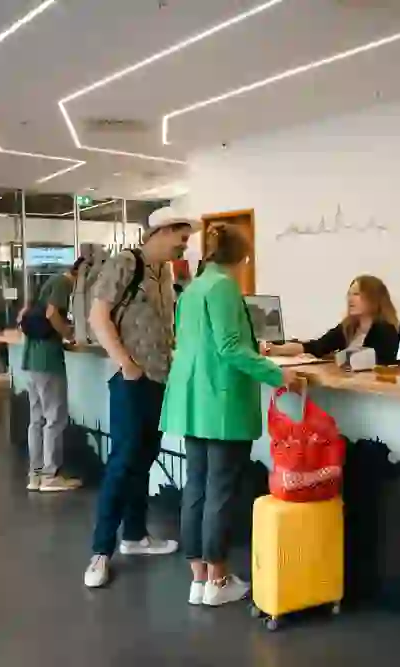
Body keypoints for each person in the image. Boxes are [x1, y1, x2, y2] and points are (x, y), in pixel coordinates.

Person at [160, 224, 300, 606]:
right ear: (242, 258)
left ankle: (199, 580)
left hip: (193, 398)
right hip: (219, 400)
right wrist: (278, 374)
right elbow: (231, 348)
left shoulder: (193, 288)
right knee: (219, 491)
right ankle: (218, 582)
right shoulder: (222, 287)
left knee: (197, 487)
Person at [83, 207, 197, 588]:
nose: (184, 248)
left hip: (160, 380)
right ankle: (100, 552)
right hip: (132, 381)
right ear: (162, 232)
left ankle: (134, 535)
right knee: (123, 462)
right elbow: (98, 317)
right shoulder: (124, 263)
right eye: (181, 240)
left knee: (144, 458)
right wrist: (126, 364)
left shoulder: (163, 274)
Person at [22, 257, 85, 493]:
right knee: (55, 418)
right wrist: (68, 333)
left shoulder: (50, 282)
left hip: (31, 359)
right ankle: (51, 475)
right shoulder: (63, 283)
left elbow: (27, 313)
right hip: (47, 360)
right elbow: (51, 314)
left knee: (37, 419)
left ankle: (36, 474)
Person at [267, 275, 400, 365]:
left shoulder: (385, 330)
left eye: (356, 294)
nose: (350, 299)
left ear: (374, 298)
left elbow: (378, 363)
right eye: (349, 294)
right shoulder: (348, 327)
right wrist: (275, 350)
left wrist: (335, 359)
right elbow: (316, 346)